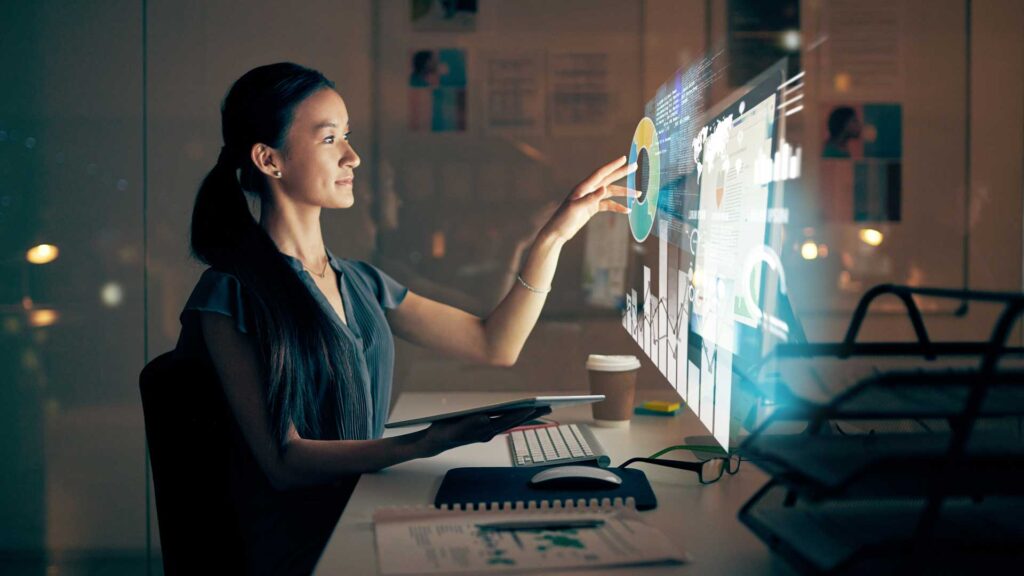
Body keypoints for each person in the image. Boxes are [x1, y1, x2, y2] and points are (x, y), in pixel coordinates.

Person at [175, 62, 634, 574]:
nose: (354, 156)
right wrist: (426, 442)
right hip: (308, 547)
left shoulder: (362, 282)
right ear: (269, 159)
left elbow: (494, 345)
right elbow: (284, 462)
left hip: (369, 507)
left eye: (347, 136)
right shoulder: (229, 294)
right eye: (330, 140)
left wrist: (552, 238)